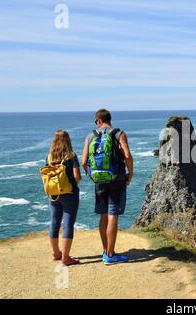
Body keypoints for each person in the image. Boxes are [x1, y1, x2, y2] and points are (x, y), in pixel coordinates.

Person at [82, 109, 134, 265]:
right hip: (116, 179)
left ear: (98, 120)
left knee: (103, 215)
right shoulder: (119, 134)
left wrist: (92, 175)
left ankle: (106, 251)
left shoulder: (90, 136)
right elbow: (127, 155)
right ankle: (111, 255)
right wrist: (129, 174)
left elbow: (84, 162)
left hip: (99, 181)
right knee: (113, 215)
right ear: (109, 120)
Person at [46, 130, 81, 266]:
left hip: (53, 194)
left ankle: (56, 253)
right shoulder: (71, 156)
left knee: (54, 223)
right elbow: (77, 176)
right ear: (68, 141)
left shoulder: (49, 157)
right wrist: (72, 184)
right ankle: (65, 258)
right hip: (70, 194)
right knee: (67, 225)